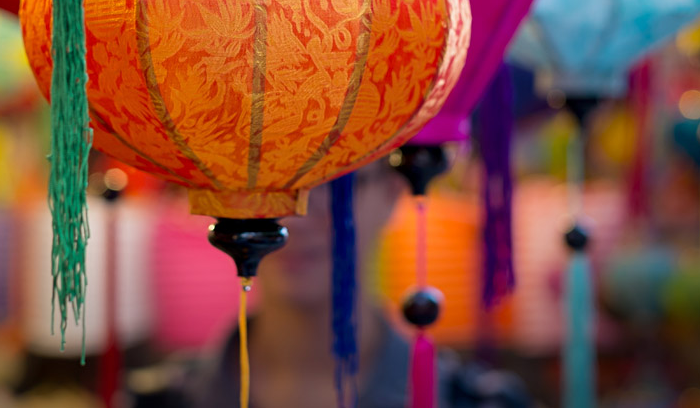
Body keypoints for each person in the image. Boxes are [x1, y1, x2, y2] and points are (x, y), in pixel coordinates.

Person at [134, 158, 531, 408]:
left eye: (336, 181)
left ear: (391, 192)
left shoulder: (481, 400)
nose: (298, 217)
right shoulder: (155, 400)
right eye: (269, 179)